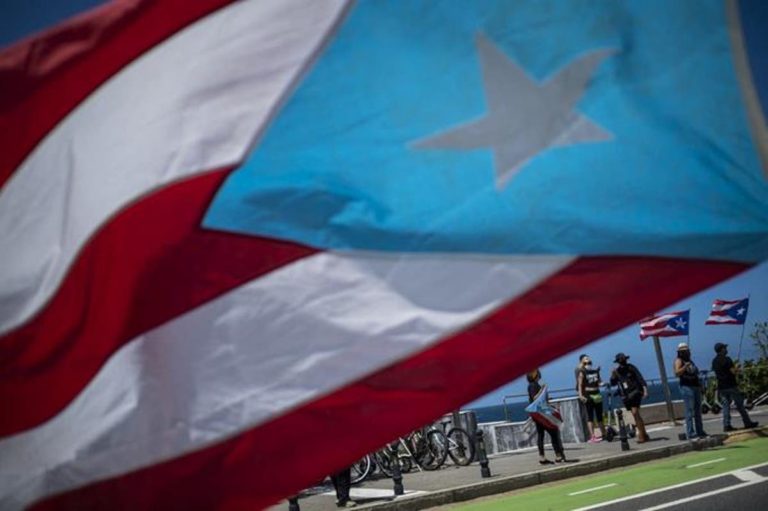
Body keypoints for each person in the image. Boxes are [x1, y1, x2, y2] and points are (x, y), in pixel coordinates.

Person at [711, 342, 759, 432]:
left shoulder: (714, 361)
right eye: (724, 348)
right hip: (731, 385)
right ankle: (747, 423)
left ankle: (727, 425)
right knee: (740, 405)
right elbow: (733, 372)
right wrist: (737, 368)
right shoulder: (727, 359)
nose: (726, 349)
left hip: (721, 387)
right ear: (721, 349)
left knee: (725, 407)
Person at [527, 369, 566, 464]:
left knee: (541, 434)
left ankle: (543, 457)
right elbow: (535, 398)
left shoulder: (533, 385)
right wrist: (542, 389)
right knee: (553, 432)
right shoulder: (533, 385)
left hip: (538, 412)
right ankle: (558, 455)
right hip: (541, 413)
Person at [610, 352, 649, 443]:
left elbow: (640, 379)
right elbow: (613, 383)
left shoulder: (631, 367)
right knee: (635, 414)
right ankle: (644, 434)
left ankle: (641, 436)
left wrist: (645, 390)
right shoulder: (617, 371)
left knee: (635, 412)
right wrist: (612, 375)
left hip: (636, 392)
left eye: (623, 359)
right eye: (620, 360)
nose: (622, 361)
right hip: (627, 395)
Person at [673, 342, 707, 440]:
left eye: (688, 351)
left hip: (695, 386)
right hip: (686, 387)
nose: (688, 352)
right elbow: (677, 373)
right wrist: (685, 367)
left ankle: (700, 431)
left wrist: (700, 385)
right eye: (685, 351)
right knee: (689, 411)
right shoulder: (679, 360)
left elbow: (695, 373)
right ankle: (691, 433)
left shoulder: (690, 361)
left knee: (697, 410)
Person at [577, 355, 606, 443]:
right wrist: (581, 395)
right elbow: (580, 384)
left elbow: (599, 382)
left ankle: (604, 434)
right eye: (586, 361)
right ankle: (592, 436)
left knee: (599, 416)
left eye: (589, 361)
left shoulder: (595, 371)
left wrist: (603, 384)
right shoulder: (582, 372)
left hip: (597, 394)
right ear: (582, 362)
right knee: (590, 417)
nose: (588, 362)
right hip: (588, 395)